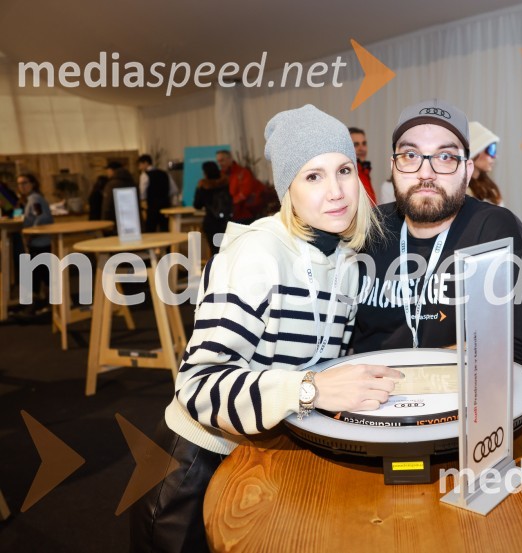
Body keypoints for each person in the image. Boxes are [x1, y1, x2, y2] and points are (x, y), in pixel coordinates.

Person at [130, 104, 402, 553]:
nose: (336, 191)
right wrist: (310, 389)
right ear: (287, 188)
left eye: (344, 170)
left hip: (264, 453)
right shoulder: (257, 254)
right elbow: (197, 385)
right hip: (193, 465)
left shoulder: (347, 261)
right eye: (313, 176)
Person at [350, 99, 522, 369]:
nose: (425, 173)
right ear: (393, 166)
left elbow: (506, 349)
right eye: (410, 155)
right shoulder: (369, 228)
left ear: (467, 170)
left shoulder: (494, 230)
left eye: (445, 157)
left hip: (459, 394)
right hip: (369, 391)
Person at [17, 173, 53, 309]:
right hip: (39, 241)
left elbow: (41, 217)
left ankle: (37, 304)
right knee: (42, 272)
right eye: (19, 184)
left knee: (39, 272)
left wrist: (31, 234)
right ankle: (45, 303)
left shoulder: (35, 199)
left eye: (24, 183)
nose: (22, 186)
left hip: (40, 242)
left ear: (32, 183)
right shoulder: (31, 199)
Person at [192, 161, 232, 255]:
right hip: (226, 221)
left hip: (211, 222)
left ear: (205, 173)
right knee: (227, 250)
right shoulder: (226, 183)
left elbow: (197, 205)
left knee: (215, 251)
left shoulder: (203, 186)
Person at [216, 149, 263, 225]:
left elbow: (245, 193)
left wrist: (230, 203)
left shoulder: (242, 173)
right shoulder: (220, 175)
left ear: (230, 159)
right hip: (226, 215)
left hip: (242, 214)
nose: (220, 164)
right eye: (218, 161)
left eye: (222, 160)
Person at [137, 154, 178, 232]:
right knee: (164, 229)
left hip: (152, 207)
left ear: (146, 163)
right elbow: (174, 190)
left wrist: (143, 205)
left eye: (140, 165)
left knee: (150, 230)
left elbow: (142, 193)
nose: (139, 168)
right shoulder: (164, 173)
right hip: (165, 205)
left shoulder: (144, 175)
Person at [467, 121, 503, 205]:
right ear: (475, 151)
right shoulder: (459, 191)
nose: (494, 156)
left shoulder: (490, 187)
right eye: (491, 149)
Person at [349, 126, 377, 204]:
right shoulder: (349, 174)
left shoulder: (364, 170)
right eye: (356, 144)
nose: (362, 148)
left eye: (364, 144)